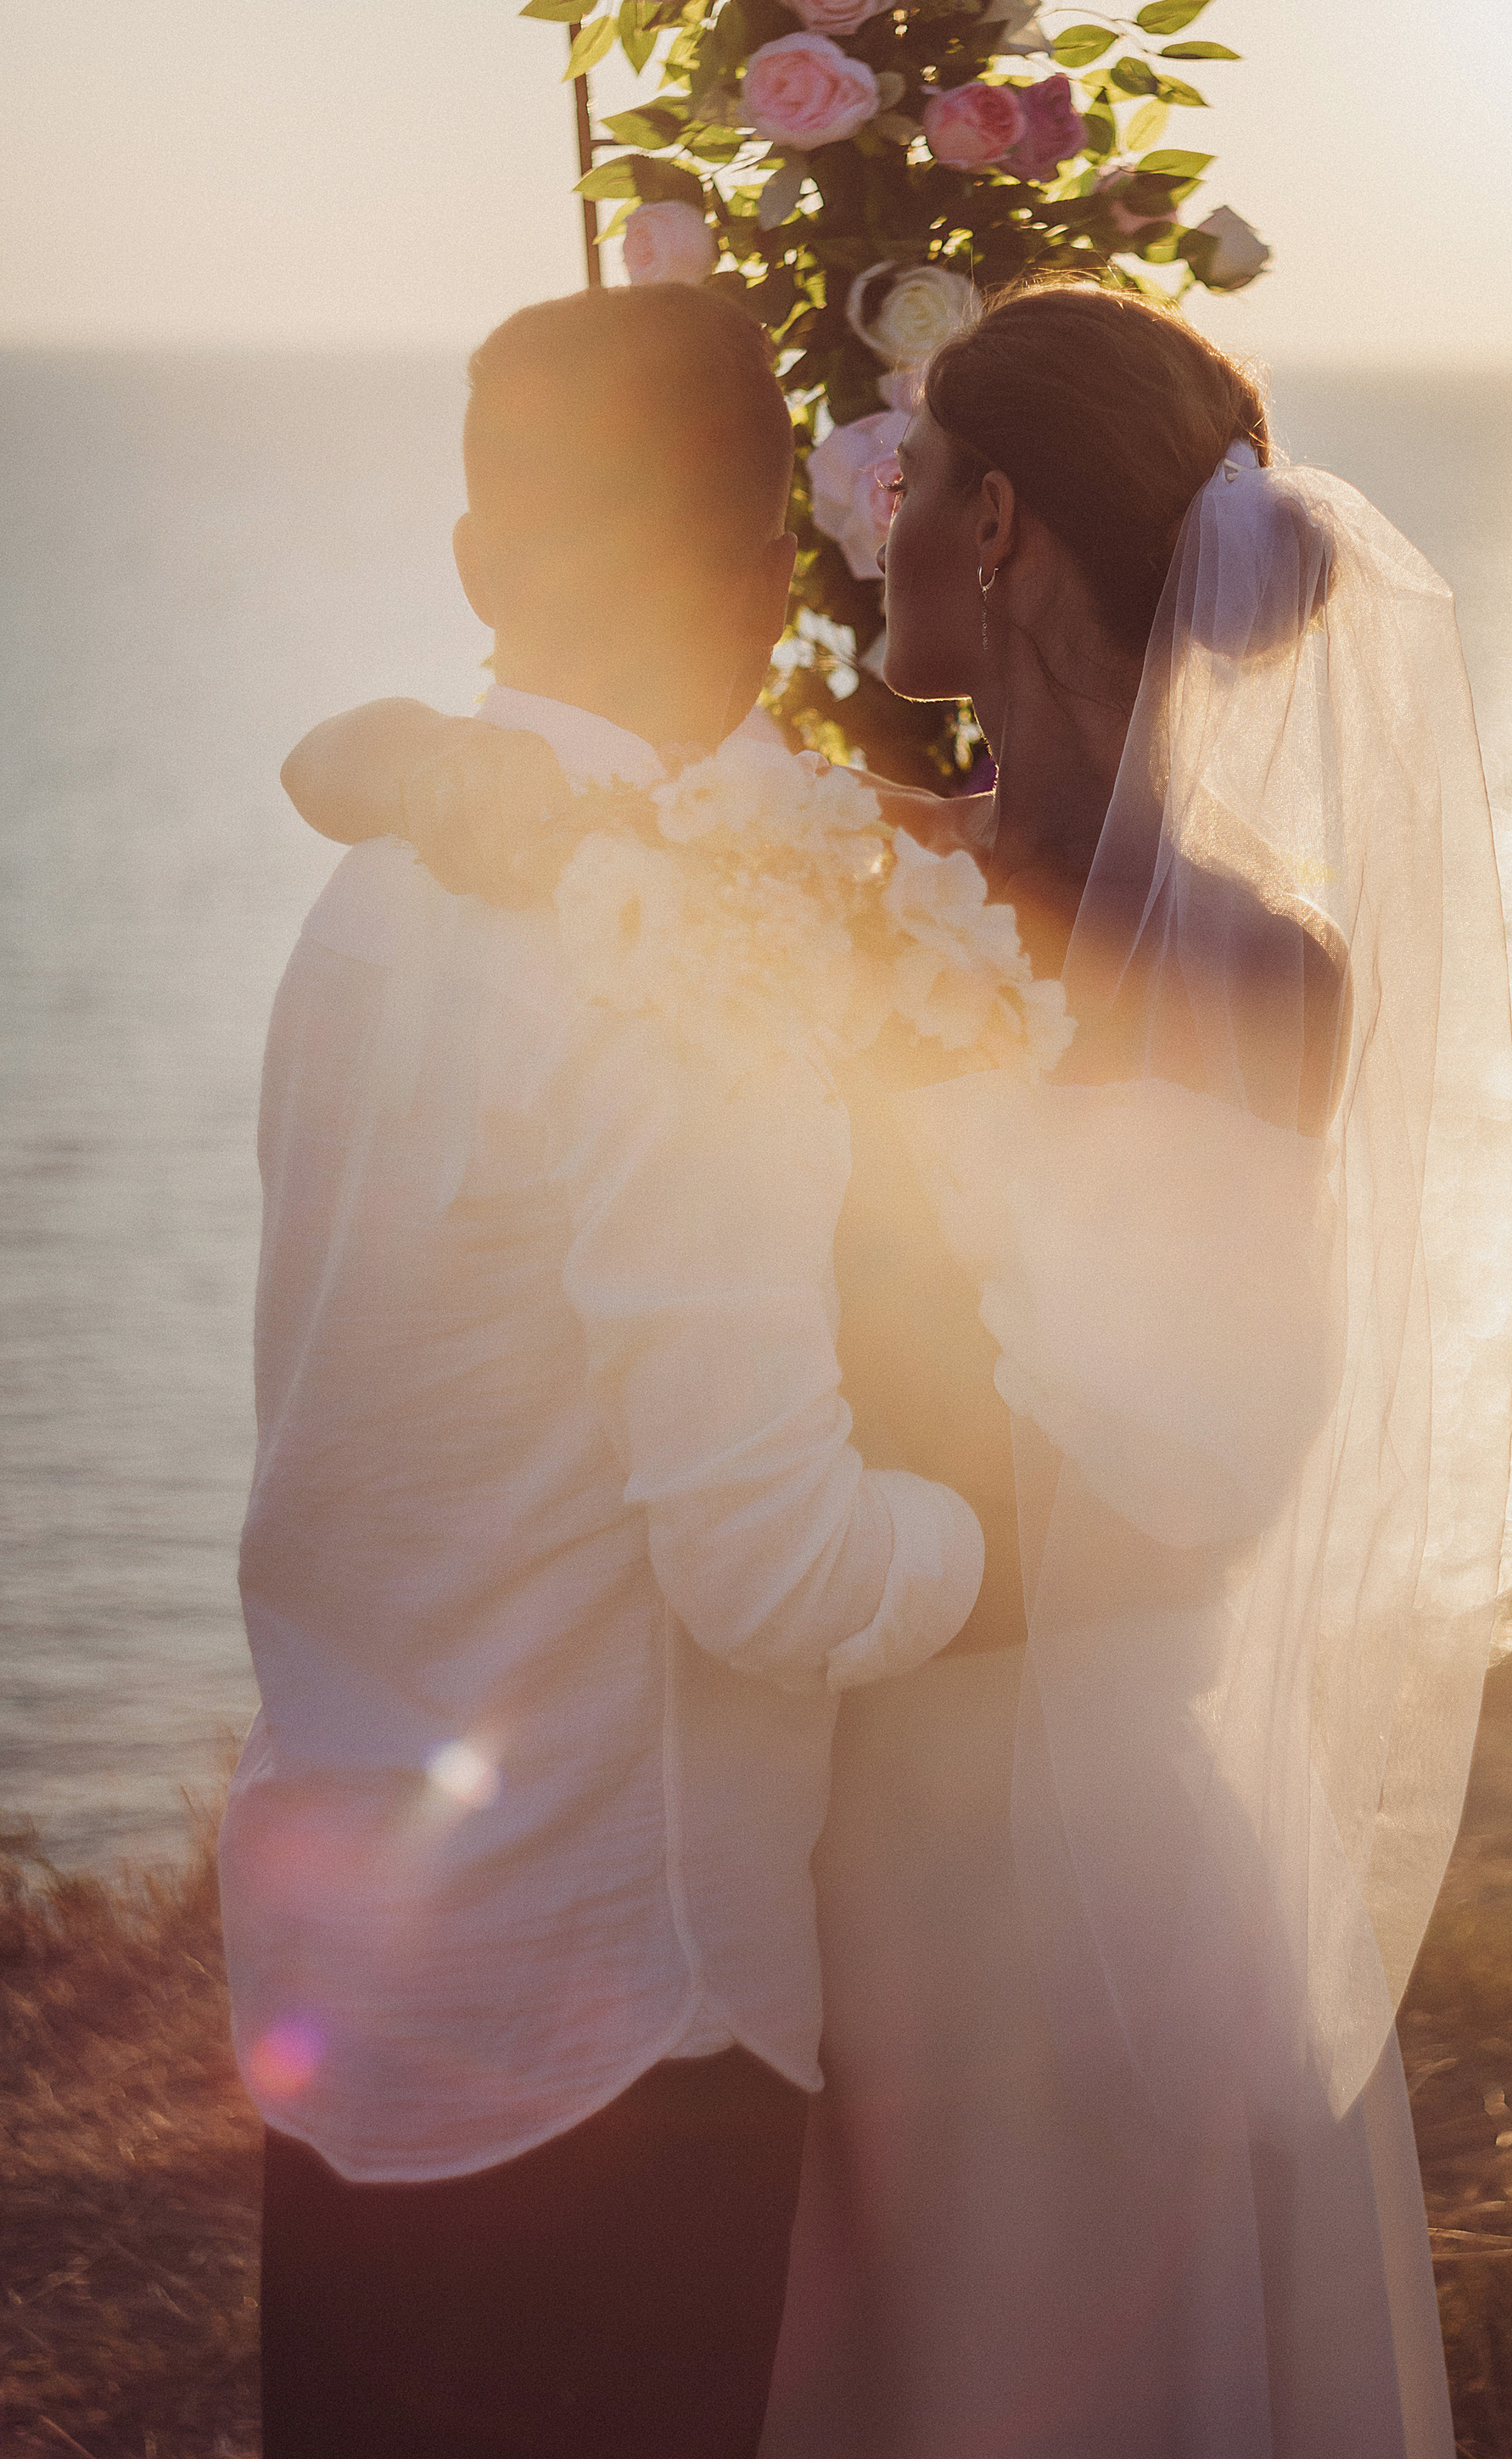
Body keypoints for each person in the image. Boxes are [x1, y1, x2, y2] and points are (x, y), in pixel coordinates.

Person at [288, 282, 1512, 2456]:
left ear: (1006, 527)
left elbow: (1217, 1438)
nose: (866, 524)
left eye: (910, 475)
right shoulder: (850, 857)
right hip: (831, 1828)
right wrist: (405, 756)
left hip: (1062, 1846)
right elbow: (612, 838)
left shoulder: (1256, 971)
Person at [225, 283, 987, 2459]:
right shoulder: (686, 947)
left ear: (477, 570)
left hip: (370, 1972)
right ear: (776, 570)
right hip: (613, 2007)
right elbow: (763, 1562)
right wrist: (1005, 1526)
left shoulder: (364, 904)